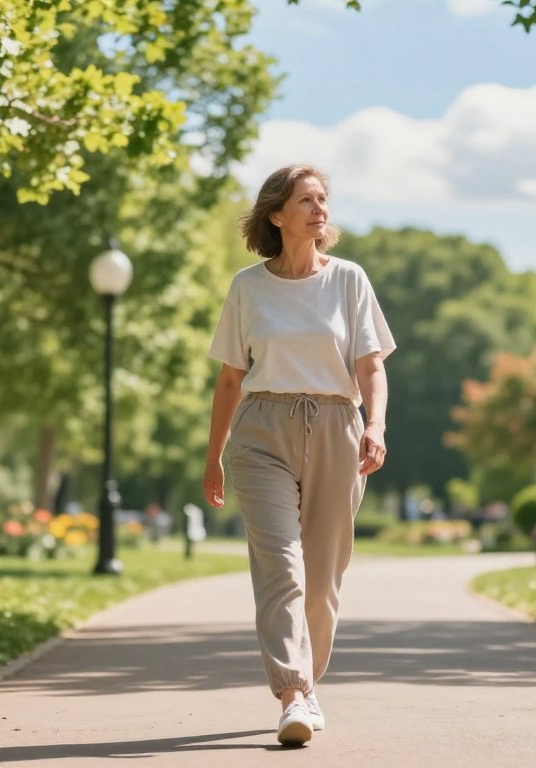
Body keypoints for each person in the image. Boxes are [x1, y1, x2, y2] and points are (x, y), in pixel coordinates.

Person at [203, 164, 394, 747]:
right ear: (276, 215)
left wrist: (375, 424)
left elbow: (371, 365)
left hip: (337, 426)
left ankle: (308, 684)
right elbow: (231, 380)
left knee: (322, 580)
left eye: (323, 200)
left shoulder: (349, 280)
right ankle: (292, 691)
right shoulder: (247, 287)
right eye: (306, 201)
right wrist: (213, 457)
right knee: (280, 565)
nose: (319, 210)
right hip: (262, 430)